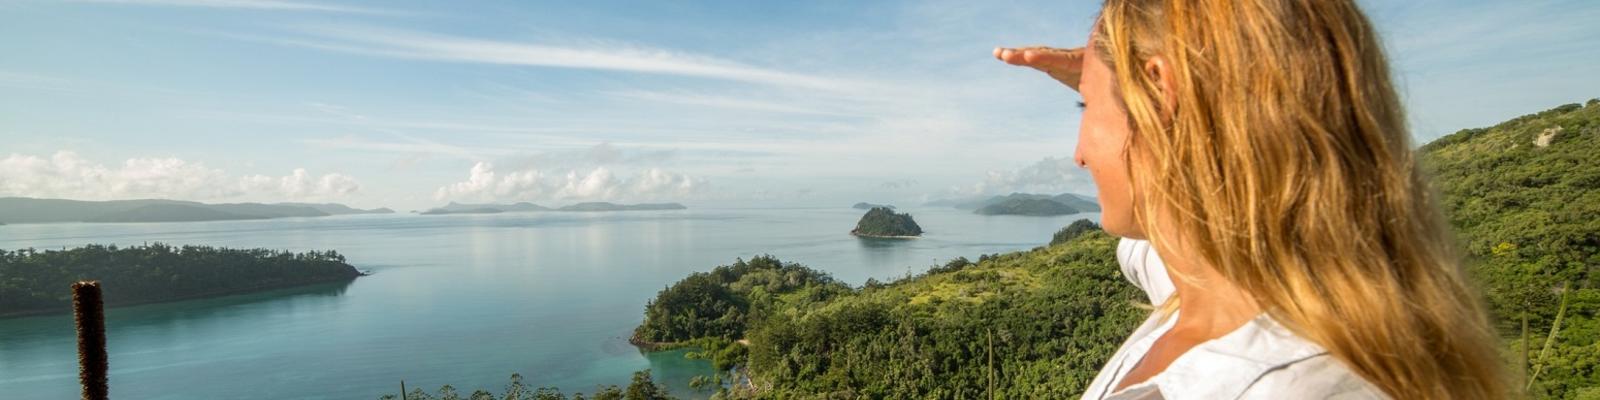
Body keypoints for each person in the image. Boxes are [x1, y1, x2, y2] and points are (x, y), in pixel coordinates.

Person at [993, 0, 1507, 399]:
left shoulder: (1294, 384)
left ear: (1159, 94)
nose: (1079, 154)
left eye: (1086, 106)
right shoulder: (1228, 290)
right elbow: (1172, 238)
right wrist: (1116, 92)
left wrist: (1122, 95)